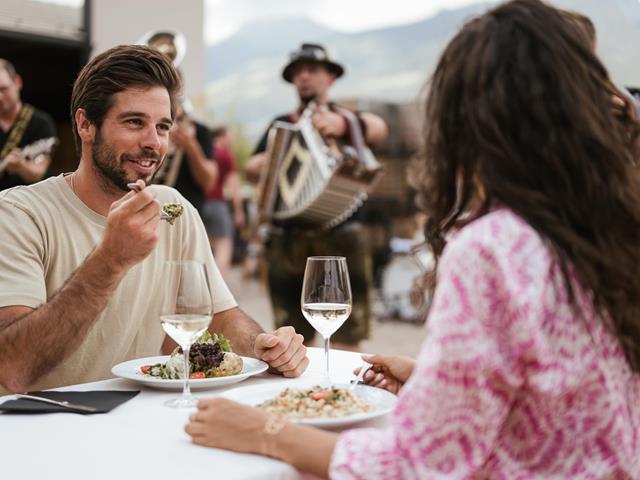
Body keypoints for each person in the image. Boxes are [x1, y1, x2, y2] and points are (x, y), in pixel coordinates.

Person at [184, 1, 640, 477]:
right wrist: (432, 382)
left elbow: (417, 466)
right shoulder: (611, 229)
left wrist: (264, 431)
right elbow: (560, 394)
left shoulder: (493, 247)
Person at [0, 45, 308, 395]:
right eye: (134, 122)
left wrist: (263, 345)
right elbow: (10, 368)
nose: (153, 143)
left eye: (163, 127)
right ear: (85, 124)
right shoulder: (18, 214)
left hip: (139, 421)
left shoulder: (173, 209)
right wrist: (110, 260)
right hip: (37, 430)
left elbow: (221, 317)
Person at [244, 43, 388, 351]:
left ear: (331, 78)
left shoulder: (346, 118)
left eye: (312, 70)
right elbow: (251, 167)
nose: (304, 77)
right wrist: (280, 153)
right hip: (289, 238)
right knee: (291, 336)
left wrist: (344, 125)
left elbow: (379, 129)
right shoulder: (282, 124)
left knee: (347, 335)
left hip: (341, 235)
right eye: (298, 73)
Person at [0, 59, 56, 191]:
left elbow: (38, 172)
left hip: (22, 205)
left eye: (4, 89)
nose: (0, 97)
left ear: (17, 82)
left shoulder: (41, 123)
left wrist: (20, 165)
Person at [152, 102, 218, 215]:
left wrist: (190, 145)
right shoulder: (152, 128)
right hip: (153, 208)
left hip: (184, 212)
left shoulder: (200, 131)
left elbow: (209, 183)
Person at [201, 126, 245, 273]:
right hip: (217, 204)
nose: (232, 139)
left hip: (199, 204)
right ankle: (216, 285)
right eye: (230, 136)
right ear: (221, 136)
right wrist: (238, 210)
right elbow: (233, 184)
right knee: (224, 243)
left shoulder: (204, 152)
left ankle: (202, 281)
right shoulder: (225, 155)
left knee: (204, 245)